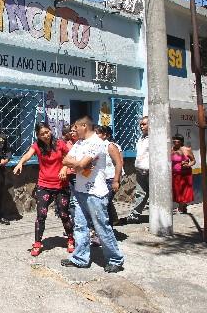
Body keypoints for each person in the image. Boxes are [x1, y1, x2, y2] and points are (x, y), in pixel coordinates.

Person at [61, 116, 124, 273]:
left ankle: (115, 259)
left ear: (84, 126)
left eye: (76, 127)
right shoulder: (79, 143)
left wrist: (79, 164)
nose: (73, 130)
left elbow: (81, 164)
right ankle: (80, 258)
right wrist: (79, 164)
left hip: (96, 192)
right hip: (80, 190)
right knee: (80, 227)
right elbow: (65, 160)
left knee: (101, 226)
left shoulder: (97, 142)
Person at [13, 122, 74, 257]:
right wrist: (20, 163)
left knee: (64, 214)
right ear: (38, 136)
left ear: (50, 131)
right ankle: (37, 243)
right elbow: (28, 154)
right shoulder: (37, 146)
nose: (46, 135)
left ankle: (70, 239)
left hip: (61, 185)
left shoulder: (60, 144)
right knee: (41, 215)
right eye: (42, 134)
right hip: (44, 185)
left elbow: (70, 157)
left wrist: (64, 168)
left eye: (47, 132)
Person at [123, 116, 149, 224]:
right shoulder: (141, 138)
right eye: (141, 124)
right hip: (140, 170)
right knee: (140, 193)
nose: (141, 126)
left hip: (150, 171)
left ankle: (159, 217)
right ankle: (135, 214)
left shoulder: (155, 138)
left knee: (154, 194)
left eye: (144, 124)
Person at [95, 126, 124, 226]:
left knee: (104, 204)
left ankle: (108, 230)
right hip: (101, 180)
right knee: (104, 205)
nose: (95, 135)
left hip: (110, 179)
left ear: (105, 135)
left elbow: (119, 163)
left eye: (98, 133)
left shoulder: (110, 146)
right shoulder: (96, 146)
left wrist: (116, 180)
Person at [171, 134, 195, 214]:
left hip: (185, 174)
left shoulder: (187, 150)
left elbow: (193, 160)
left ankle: (181, 208)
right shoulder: (172, 149)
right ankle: (183, 207)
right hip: (175, 174)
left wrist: (188, 165)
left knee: (183, 191)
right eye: (173, 139)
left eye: (176, 139)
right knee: (177, 191)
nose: (174, 141)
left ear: (181, 141)